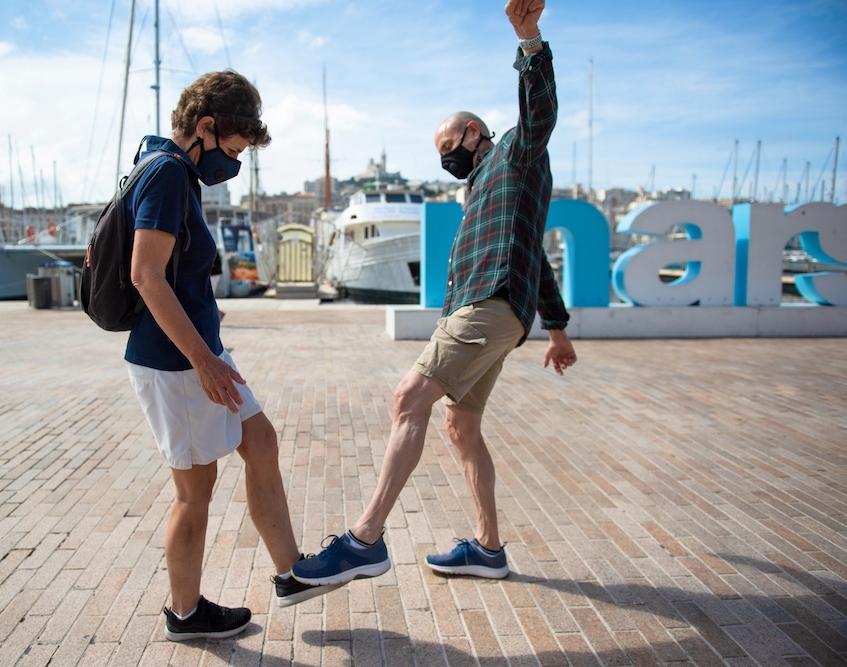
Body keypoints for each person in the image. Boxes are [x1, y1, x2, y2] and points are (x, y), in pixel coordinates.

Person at [292, 0, 577, 587]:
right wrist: (557, 327)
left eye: (449, 144)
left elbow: (541, 114)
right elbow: (535, 256)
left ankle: (363, 541)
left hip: (488, 302)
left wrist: (530, 43)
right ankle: (489, 549)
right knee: (460, 427)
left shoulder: (513, 155)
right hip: (505, 308)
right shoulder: (481, 189)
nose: (445, 157)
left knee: (408, 398)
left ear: (474, 132)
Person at [125, 71, 340, 642]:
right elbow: (145, 274)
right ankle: (187, 614)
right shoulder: (169, 174)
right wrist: (202, 359)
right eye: (234, 149)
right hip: (177, 362)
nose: (234, 164)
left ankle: (292, 572)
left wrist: (210, 351)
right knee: (195, 492)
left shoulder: (170, 168)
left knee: (260, 440)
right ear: (205, 127)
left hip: (202, 353)